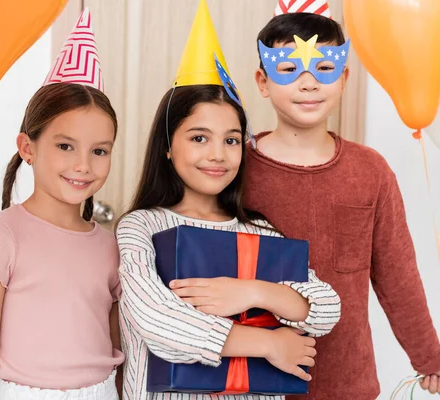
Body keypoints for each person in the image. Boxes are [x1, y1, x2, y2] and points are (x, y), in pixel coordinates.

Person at [116, 1, 340, 399]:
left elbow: (325, 308)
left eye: (231, 140)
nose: (218, 154)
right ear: (168, 145)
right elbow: (157, 320)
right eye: (199, 137)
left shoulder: (258, 230)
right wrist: (270, 343)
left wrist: (253, 292)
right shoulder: (143, 227)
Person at [243, 2, 440, 399]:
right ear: (263, 81)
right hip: (251, 382)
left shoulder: (371, 171)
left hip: (348, 384)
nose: (308, 83)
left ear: (344, 78)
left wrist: (430, 358)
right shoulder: (234, 167)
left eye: (324, 69)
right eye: (288, 69)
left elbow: (398, 275)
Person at [0, 9, 124, 400]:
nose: (83, 165)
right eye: (65, 146)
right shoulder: (1, 237)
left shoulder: (109, 246)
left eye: (99, 150)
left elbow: (116, 346)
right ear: (28, 148)